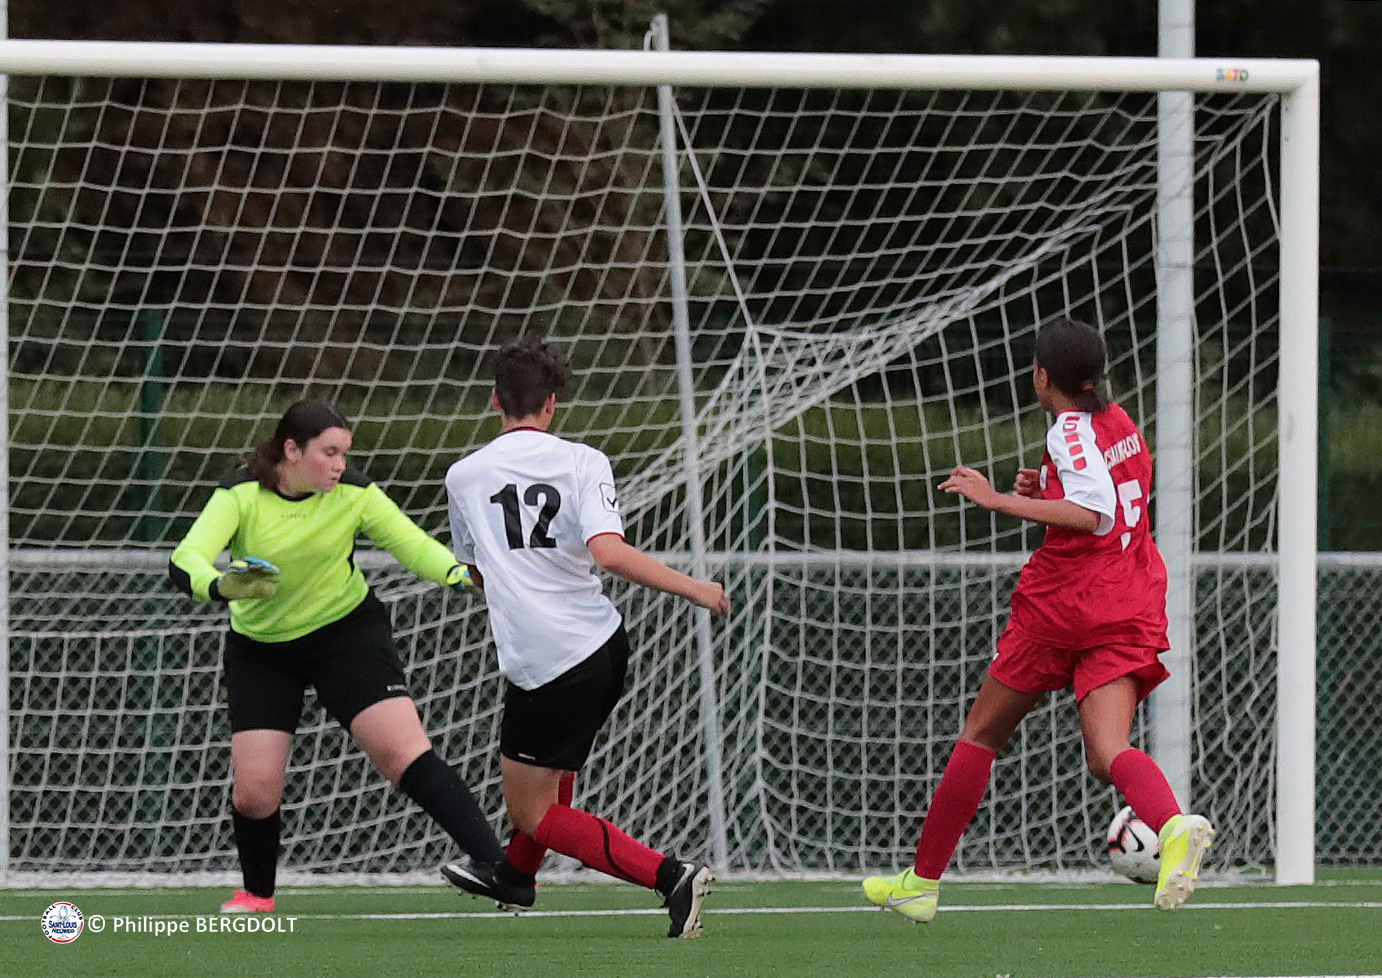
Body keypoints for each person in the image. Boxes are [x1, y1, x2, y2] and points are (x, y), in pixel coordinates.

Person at [863, 317, 1215, 921]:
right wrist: (1047, 485)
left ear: (1042, 376)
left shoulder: (1068, 427)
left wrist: (998, 498)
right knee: (1106, 752)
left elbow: (1095, 511)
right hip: (1127, 597)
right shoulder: (1119, 422)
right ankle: (1173, 824)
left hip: (1065, 604)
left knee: (982, 734)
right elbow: (1104, 490)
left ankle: (921, 884)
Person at [169, 400, 523, 913]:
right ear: (292, 450)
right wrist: (222, 585)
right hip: (261, 652)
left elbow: (412, 544)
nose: (339, 465)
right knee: (255, 793)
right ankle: (258, 895)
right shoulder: (240, 493)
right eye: (329, 453)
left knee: (403, 753)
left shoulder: (355, 493)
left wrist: (457, 574)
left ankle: (502, 873)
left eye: (344, 454)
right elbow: (186, 559)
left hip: (346, 636)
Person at [439, 340, 730, 939]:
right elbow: (608, 552)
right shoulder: (584, 460)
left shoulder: (463, 476)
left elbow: (477, 572)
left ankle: (671, 875)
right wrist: (694, 587)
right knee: (548, 774)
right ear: (551, 403)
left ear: (495, 400)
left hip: (546, 662)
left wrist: (514, 576)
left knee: (532, 811)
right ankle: (516, 877)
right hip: (600, 644)